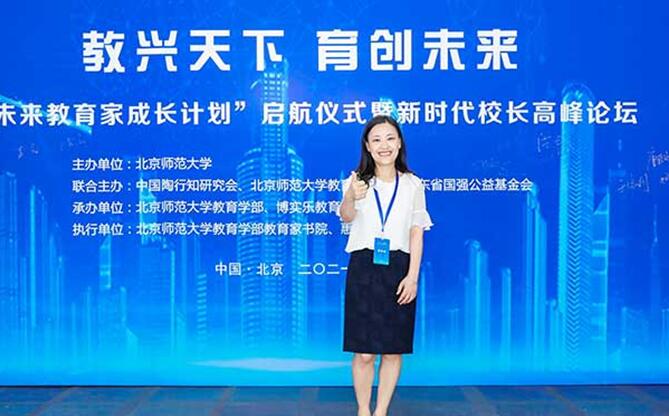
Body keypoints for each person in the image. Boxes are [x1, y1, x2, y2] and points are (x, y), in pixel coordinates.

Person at [337, 115, 433, 416]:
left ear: (399, 143)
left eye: (390, 138)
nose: (384, 145)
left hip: (399, 268)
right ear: (367, 146)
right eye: (376, 139)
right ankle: (363, 410)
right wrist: (350, 196)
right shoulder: (356, 181)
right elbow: (346, 216)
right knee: (364, 352)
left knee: (392, 350)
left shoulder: (413, 184)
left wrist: (412, 277)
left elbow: (416, 233)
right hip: (364, 267)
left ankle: (381, 411)